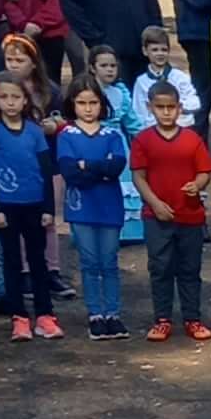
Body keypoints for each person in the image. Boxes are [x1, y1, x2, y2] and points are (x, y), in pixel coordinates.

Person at [129, 79, 211, 341]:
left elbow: (204, 172)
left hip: (190, 215)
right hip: (157, 217)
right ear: (150, 108)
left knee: (190, 269)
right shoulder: (143, 140)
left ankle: (192, 318)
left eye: (171, 107)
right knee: (160, 267)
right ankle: (162, 318)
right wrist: (154, 204)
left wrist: (197, 184)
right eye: (160, 107)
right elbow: (138, 177)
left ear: (180, 108)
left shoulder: (192, 139)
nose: (166, 112)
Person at [53, 77, 130, 340]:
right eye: (82, 102)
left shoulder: (112, 134)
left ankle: (114, 313)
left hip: (109, 206)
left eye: (93, 102)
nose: (88, 108)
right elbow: (70, 172)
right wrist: (98, 168)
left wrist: (87, 165)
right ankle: (95, 314)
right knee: (89, 262)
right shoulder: (67, 135)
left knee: (109, 262)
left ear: (102, 103)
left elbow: (117, 167)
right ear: (72, 103)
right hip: (81, 207)